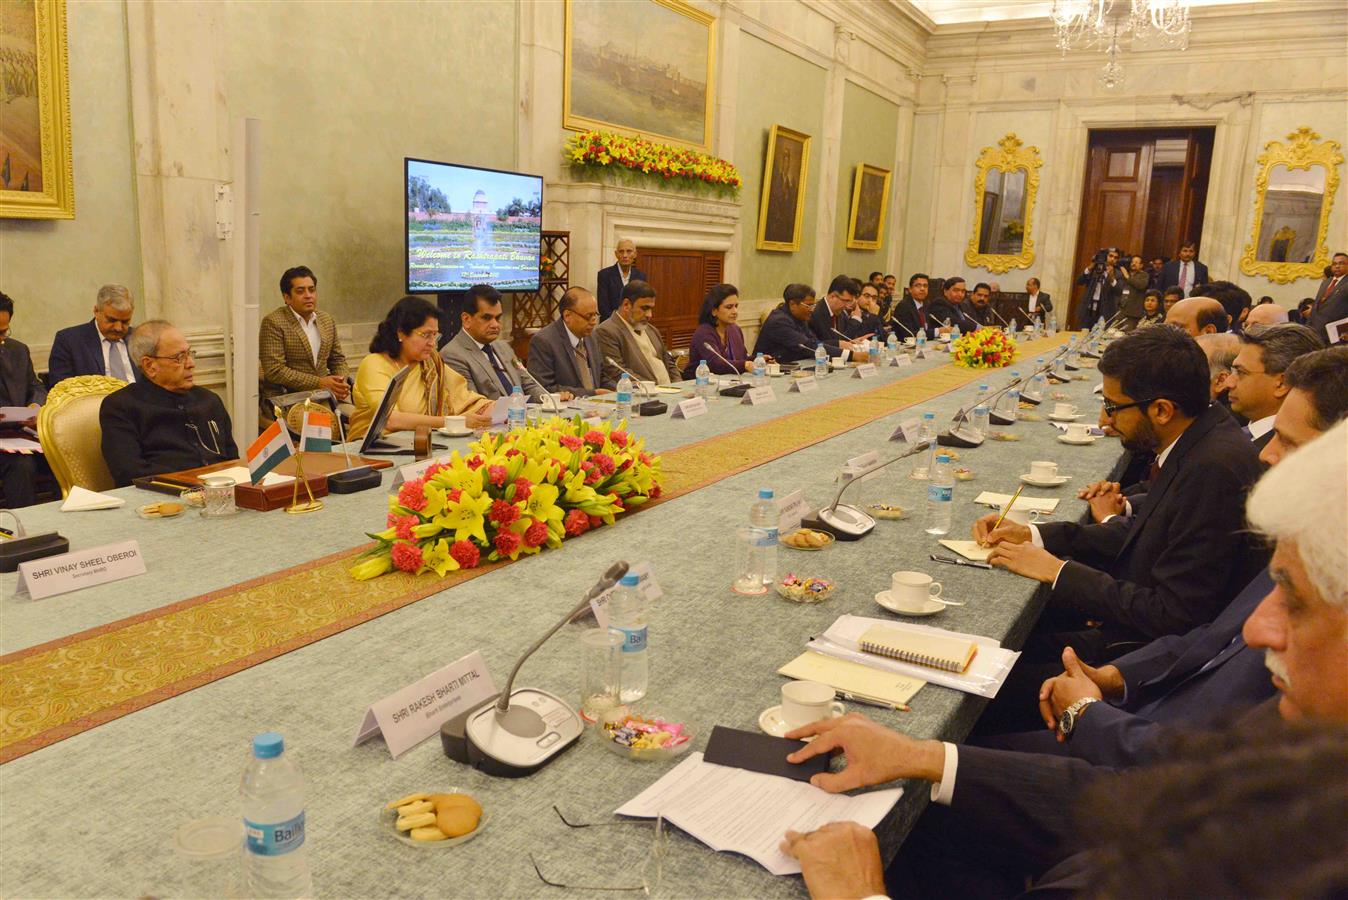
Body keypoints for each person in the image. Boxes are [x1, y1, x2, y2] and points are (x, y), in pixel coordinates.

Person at [779, 419, 1348, 899]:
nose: (1257, 625)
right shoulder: (1310, 757)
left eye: (1295, 601)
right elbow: (1163, 793)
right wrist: (926, 755)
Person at [975, 326, 1266, 653]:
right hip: (1132, 616)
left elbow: (1173, 613)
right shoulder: (1202, 437)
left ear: (1161, 410)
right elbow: (1146, 532)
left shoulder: (1213, 469)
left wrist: (1057, 570)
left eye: (1113, 407)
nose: (1103, 421)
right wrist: (1035, 535)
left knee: (996, 655)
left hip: (1142, 653)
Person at [99, 320, 238, 487]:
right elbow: (130, 474)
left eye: (189, 353)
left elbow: (232, 461)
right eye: (179, 358)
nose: (191, 364)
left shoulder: (209, 400)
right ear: (149, 365)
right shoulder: (121, 407)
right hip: (161, 501)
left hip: (222, 496)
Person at [348, 296, 492, 441]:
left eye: (435, 335)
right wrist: (451, 422)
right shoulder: (374, 364)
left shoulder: (430, 362)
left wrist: (497, 407)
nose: (432, 343)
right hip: (373, 449)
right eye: (426, 335)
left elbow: (463, 397)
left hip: (421, 442)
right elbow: (391, 419)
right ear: (401, 333)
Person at [442, 284, 563, 404]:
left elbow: (528, 385)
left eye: (498, 318)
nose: (495, 325)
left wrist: (551, 399)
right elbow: (472, 404)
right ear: (466, 319)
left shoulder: (503, 347)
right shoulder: (453, 355)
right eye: (487, 318)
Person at [258, 265, 349, 423]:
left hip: (326, 396)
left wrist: (341, 382)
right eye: (300, 291)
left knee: (363, 419)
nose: (308, 296)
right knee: (325, 428)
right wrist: (319, 382)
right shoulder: (273, 322)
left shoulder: (326, 320)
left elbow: (337, 359)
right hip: (288, 400)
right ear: (287, 297)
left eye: (311, 290)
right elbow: (275, 370)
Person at [1225, 323, 1324, 452]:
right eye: (1233, 371)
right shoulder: (1237, 432)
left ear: (1282, 384)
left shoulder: (1284, 456)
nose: (1228, 383)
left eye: (1241, 372)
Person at [0, 293, 48, 507]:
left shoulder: (17, 350)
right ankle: (26, 531)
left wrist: (36, 407)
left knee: (64, 451)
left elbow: (36, 385)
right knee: (21, 465)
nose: (1, 339)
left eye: (3, 331)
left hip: (22, 434)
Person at [46, 284, 141, 387]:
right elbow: (62, 389)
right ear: (96, 311)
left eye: (125, 321)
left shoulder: (139, 338)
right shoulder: (69, 341)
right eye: (111, 320)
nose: (118, 327)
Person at [527, 287, 616, 396]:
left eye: (595, 315)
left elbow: (600, 377)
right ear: (567, 315)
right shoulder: (544, 341)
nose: (593, 322)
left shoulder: (591, 336)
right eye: (588, 316)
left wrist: (622, 388)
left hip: (597, 408)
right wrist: (591, 393)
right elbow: (544, 388)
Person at [594, 280, 680, 385]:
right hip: (644, 396)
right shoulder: (607, 331)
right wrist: (653, 388)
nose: (649, 315)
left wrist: (678, 385)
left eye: (651, 309)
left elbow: (669, 362)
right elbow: (617, 372)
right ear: (626, 305)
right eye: (644, 308)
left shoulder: (652, 330)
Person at [752, 284, 839, 362]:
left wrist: (839, 344)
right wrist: (849, 355)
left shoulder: (800, 317)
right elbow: (808, 347)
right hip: (767, 371)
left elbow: (814, 342)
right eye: (808, 306)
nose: (812, 310)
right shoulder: (779, 321)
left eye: (813, 305)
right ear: (792, 304)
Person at [683, 284, 753, 377]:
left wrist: (757, 360)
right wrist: (745, 365)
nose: (735, 311)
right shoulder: (704, 333)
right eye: (729, 307)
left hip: (730, 383)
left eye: (736, 306)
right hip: (699, 385)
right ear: (714, 311)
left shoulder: (735, 329)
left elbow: (742, 358)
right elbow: (715, 364)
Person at [595, 238, 647, 322]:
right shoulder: (604, 275)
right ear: (616, 254)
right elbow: (603, 307)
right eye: (621, 251)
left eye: (629, 251)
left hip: (633, 324)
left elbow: (641, 304)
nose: (625, 255)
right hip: (610, 326)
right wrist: (619, 325)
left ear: (635, 254)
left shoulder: (641, 276)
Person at [809, 275, 862, 344]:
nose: (847, 306)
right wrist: (838, 344)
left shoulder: (841, 314)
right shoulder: (813, 314)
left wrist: (851, 342)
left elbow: (842, 338)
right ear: (833, 296)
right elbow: (812, 344)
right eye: (846, 301)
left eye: (850, 301)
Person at [1305, 250, 1348, 333]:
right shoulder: (1326, 282)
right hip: (1315, 329)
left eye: (1341, 263)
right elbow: (1317, 305)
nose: (1337, 266)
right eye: (1334, 264)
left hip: (1336, 332)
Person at [1077, 248, 1122, 325]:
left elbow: (1119, 291)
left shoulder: (1118, 274)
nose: (1112, 259)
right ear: (1105, 256)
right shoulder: (1094, 270)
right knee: (1085, 332)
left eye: (1115, 258)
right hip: (1089, 309)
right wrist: (1089, 268)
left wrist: (1111, 278)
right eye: (1110, 256)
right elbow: (1079, 281)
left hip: (1104, 311)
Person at [891, 273, 934, 341]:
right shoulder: (903, 306)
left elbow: (928, 328)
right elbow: (909, 334)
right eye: (918, 285)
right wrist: (936, 332)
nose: (922, 289)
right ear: (910, 289)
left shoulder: (927, 304)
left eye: (925, 286)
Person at [1116, 255, 1151, 330]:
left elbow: (1141, 285)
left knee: (1127, 335)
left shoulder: (1144, 275)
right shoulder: (1124, 274)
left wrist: (1128, 277)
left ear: (1141, 265)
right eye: (1132, 262)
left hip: (1132, 313)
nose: (1133, 264)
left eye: (1136, 262)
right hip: (1121, 311)